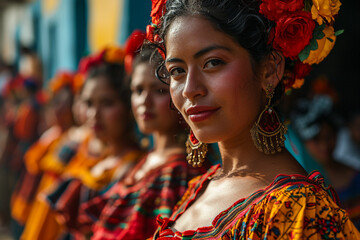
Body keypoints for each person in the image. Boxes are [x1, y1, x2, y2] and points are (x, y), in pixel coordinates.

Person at [144, 0, 360, 239]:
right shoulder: (198, 188)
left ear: (270, 70)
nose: (189, 89)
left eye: (213, 63)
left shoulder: (301, 212)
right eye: (177, 71)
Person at [83, 33, 207, 240]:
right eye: (137, 90)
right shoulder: (145, 163)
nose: (144, 101)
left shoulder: (181, 175)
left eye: (158, 90)